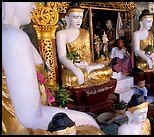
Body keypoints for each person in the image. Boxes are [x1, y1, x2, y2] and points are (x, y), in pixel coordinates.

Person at [2, 2, 102, 135]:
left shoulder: (16, 34)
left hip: (38, 112)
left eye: (80, 17)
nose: (34, 6)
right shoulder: (12, 37)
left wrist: (88, 66)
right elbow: (32, 117)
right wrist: (88, 119)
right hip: (24, 126)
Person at [56, 2, 112, 88]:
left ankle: (88, 72)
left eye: (81, 17)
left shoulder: (85, 33)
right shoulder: (61, 34)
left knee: (107, 70)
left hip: (86, 65)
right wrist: (75, 68)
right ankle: (87, 73)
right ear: (68, 18)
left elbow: (87, 53)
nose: (79, 21)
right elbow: (62, 57)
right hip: (71, 66)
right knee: (71, 78)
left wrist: (85, 63)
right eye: (75, 17)